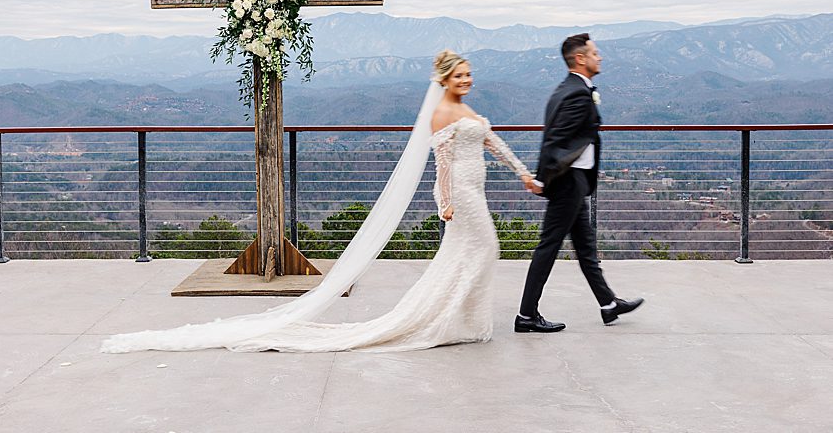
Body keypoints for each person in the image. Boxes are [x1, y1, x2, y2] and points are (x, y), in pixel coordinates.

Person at [102, 50, 534, 353]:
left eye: (468, 75)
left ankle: (461, 319)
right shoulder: (442, 113)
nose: (466, 80)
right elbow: (440, 163)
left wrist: (522, 173)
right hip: (461, 193)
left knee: (472, 254)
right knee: (480, 251)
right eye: (459, 76)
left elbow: (493, 142)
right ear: (444, 80)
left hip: (479, 188)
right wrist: (444, 202)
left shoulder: (470, 111)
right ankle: (444, 319)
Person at [515, 34, 643, 333]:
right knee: (548, 247)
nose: (601, 58)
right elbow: (556, 140)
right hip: (567, 183)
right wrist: (541, 179)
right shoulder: (576, 94)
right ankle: (525, 315)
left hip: (576, 182)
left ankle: (608, 304)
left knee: (586, 248)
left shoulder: (568, 89)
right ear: (580, 59)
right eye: (596, 53)